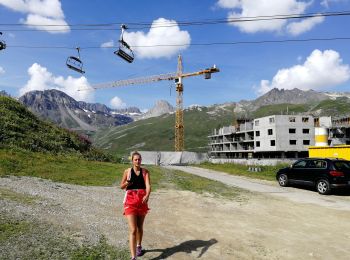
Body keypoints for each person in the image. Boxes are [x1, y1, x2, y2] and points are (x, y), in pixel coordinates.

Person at [120, 151, 151, 260]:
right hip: (130, 201)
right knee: (133, 229)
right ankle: (133, 257)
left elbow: (148, 185)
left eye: (139, 159)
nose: (138, 161)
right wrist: (128, 183)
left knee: (140, 227)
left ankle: (139, 245)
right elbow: (121, 186)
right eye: (135, 159)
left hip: (142, 201)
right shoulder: (127, 171)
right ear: (132, 161)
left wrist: (147, 194)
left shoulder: (145, 172)